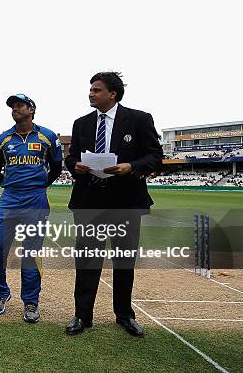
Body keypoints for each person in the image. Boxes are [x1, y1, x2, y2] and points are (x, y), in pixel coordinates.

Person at [64, 72, 162, 337]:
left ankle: (124, 315)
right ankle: (82, 316)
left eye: (96, 90)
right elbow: (70, 158)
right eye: (90, 89)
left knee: (124, 261)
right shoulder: (81, 123)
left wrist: (131, 166)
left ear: (112, 94)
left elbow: (155, 156)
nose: (91, 94)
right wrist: (76, 166)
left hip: (125, 202)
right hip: (89, 201)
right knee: (87, 261)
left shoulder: (140, 119)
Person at [0, 94, 62, 323]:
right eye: (13, 107)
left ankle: (31, 301)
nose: (15, 109)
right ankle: (1, 293)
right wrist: (11, 186)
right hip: (9, 199)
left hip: (36, 201)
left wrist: (39, 186)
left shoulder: (47, 136)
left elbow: (57, 168)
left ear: (32, 109)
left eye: (19, 105)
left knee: (30, 253)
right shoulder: (3, 139)